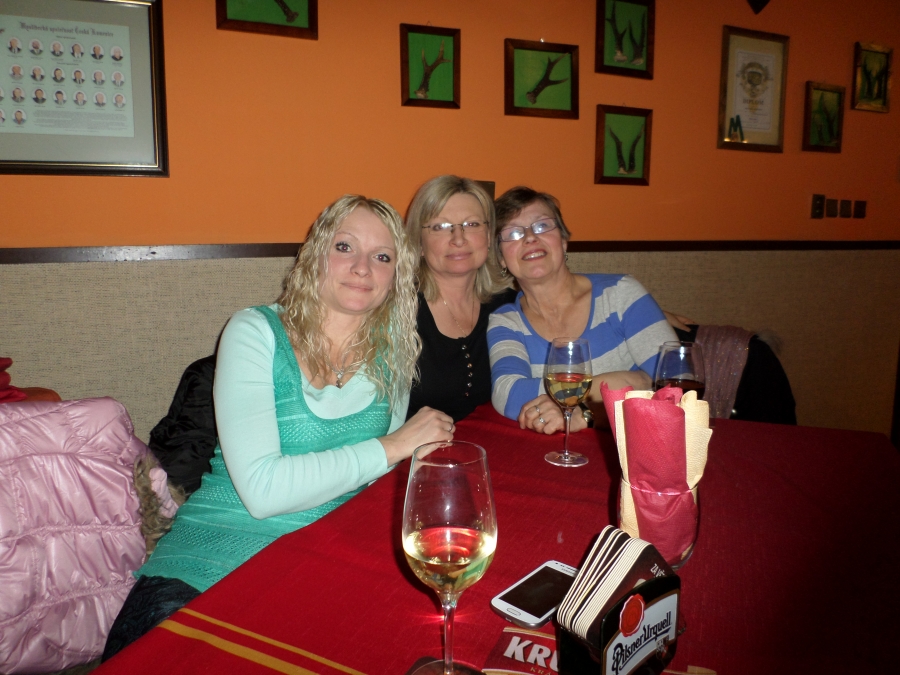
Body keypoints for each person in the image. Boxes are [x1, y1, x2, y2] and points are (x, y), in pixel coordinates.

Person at [102, 194, 454, 659]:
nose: (362, 267)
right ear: (315, 255)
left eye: (382, 256)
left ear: (397, 275)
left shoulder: (394, 352)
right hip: (213, 555)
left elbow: (373, 484)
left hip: (323, 562)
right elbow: (263, 491)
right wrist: (394, 445)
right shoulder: (255, 331)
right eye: (345, 247)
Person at [487, 186, 677, 435]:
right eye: (513, 233)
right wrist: (627, 382)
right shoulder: (505, 321)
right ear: (501, 258)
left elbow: (675, 384)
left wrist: (586, 411)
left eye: (542, 226)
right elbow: (508, 395)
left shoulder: (620, 294)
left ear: (563, 240)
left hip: (634, 445)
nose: (530, 238)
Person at [404, 175, 515, 422]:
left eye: (472, 224)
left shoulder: (511, 306)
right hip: (415, 446)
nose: (458, 238)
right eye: (440, 226)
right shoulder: (395, 310)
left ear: (489, 236)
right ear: (419, 243)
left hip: (492, 442)